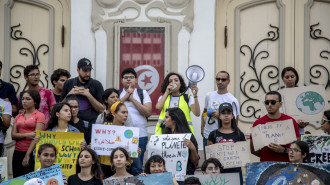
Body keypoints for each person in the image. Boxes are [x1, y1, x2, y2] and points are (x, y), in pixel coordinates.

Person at [250, 91, 301, 162]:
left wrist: (284, 150)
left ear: (280, 104)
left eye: (273, 102)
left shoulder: (290, 121)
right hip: (266, 165)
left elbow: (298, 149)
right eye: (267, 102)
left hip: (287, 165)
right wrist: (266, 156)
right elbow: (253, 150)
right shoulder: (258, 123)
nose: (269, 105)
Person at [119, 68, 152, 175]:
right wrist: (125, 96)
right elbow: (111, 110)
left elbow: (148, 112)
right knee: (122, 164)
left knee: (137, 167)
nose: (128, 80)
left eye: (131, 77)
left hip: (140, 135)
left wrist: (132, 98)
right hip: (120, 135)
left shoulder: (142, 93)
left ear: (136, 80)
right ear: (122, 80)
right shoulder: (117, 93)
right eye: (126, 77)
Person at [201, 70, 240, 159]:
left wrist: (220, 116)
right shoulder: (209, 95)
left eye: (223, 79)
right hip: (208, 135)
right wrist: (202, 127)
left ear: (228, 81)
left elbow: (235, 120)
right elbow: (204, 112)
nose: (220, 82)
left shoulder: (232, 100)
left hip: (224, 137)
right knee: (209, 163)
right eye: (218, 79)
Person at [207, 103, 245, 184]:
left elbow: (244, 154)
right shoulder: (213, 134)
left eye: (228, 113)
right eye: (223, 113)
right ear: (219, 116)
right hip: (218, 174)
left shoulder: (239, 134)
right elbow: (209, 158)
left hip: (236, 173)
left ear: (232, 116)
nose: (226, 115)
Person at [12, 90, 45, 177]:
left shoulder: (39, 115)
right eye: (23, 99)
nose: (24, 101)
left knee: (30, 179)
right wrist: (27, 135)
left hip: (32, 152)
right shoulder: (18, 116)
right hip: (17, 151)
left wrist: (27, 155)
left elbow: (37, 136)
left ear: (35, 101)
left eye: (28, 99)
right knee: (17, 179)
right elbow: (13, 135)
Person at [60, 58, 105, 124]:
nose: (88, 74)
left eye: (89, 70)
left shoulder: (96, 84)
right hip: (71, 123)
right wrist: (69, 94)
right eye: (85, 71)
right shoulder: (69, 83)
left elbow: (102, 109)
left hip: (90, 124)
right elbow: (59, 107)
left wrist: (89, 95)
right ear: (78, 70)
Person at [96, 101, 131, 178]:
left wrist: (136, 152)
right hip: (105, 167)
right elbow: (97, 153)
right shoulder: (103, 130)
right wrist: (94, 146)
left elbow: (131, 156)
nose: (126, 115)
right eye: (123, 112)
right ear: (114, 114)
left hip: (124, 167)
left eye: (127, 113)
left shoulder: (129, 132)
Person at [163, 108, 199, 176]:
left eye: (167, 117)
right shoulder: (164, 137)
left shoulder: (188, 137)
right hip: (168, 173)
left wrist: (193, 149)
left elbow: (194, 161)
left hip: (185, 173)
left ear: (174, 119)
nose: (164, 120)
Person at [281, 67, 308, 134]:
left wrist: (304, 123)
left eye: (292, 76)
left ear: (296, 77)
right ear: (283, 79)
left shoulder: (303, 94)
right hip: (283, 131)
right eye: (287, 77)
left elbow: (308, 113)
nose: (290, 79)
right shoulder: (279, 95)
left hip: (299, 131)